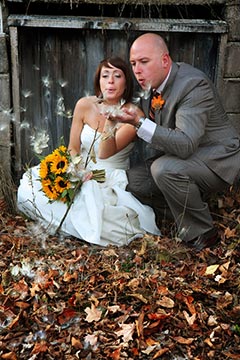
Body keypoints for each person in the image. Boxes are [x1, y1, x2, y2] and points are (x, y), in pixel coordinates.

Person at [111, 33, 240, 251]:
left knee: (163, 169)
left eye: (144, 62)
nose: (137, 70)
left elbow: (186, 143)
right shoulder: (155, 84)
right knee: (135, 181)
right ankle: (188, 217)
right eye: (133, 64)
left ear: (164, 60)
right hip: (188, 159)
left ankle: (204, 234)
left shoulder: (192, 85)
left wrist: (140, 123)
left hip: (217, 159)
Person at [17, 57, 160, 247]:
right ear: (98, 81)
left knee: (97, 210)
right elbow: (73, 147)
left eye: (117, 76)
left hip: (107, 176)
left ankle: (73, 225)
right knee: (29, 186)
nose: (110, 81)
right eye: (105, 75)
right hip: (80, 168)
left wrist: (111, 121)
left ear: (126, 83)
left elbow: (104, 154)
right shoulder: (84, 104)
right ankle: (70, 223)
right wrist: (75, 169)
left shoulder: (133, 115)